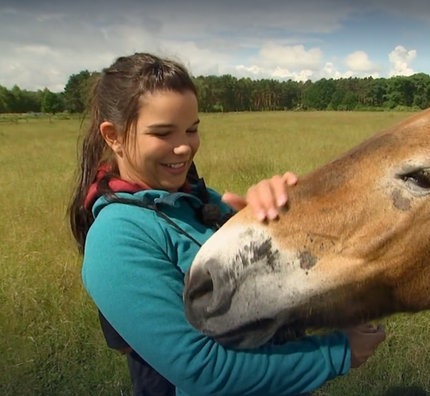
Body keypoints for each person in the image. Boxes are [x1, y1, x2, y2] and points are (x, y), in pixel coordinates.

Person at [68, 52, 386, 396]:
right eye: (162, 133)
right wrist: (336, 354)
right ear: (113, 136)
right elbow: (205, 371)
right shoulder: (117, 238)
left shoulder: (201, 200)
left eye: (191, 130)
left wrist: (279, 223)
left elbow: (279, 288)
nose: (183, 148)